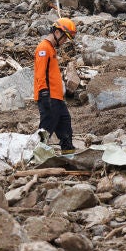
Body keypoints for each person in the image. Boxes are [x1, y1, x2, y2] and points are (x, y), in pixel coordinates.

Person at [33, 17, 77, 153]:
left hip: (57, 98)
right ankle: (34, 157)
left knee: (65, 127)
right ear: (57, 33)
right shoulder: (44, 48)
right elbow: (40, 74)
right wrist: (44, 94)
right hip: (48, 97)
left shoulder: (51, 49)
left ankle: (68, 155)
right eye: (65, 38)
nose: (64, 42)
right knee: (45, 130)